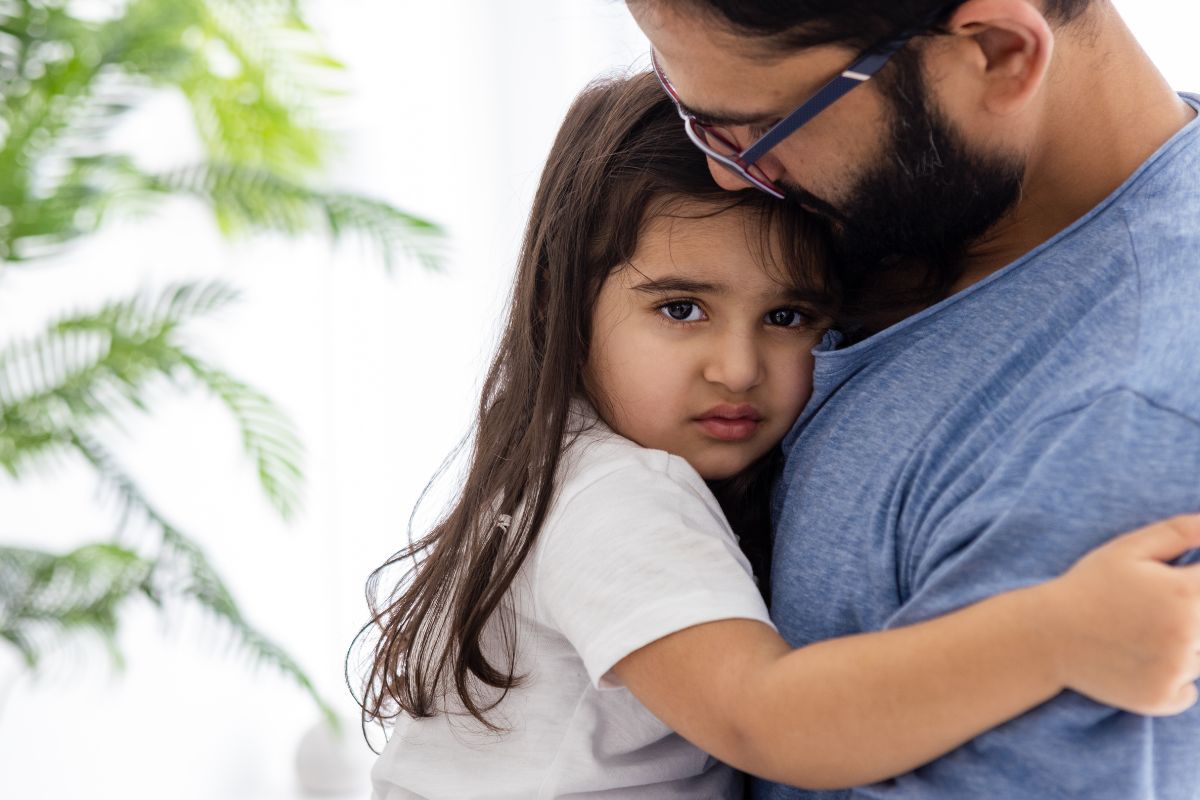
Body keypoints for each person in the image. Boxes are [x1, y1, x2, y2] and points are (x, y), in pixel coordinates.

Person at [355, 72, 1200, 799]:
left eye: (788, 316)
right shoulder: (617, 498)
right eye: (680, 309)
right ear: (563, 307)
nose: (737, 367)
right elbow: (764, 716)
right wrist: (1054, 638)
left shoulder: (579, 468)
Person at [624, 0, 1200, 797]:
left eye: (757, 123)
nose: (726, 172)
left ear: (997, 52)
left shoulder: (1114, 427)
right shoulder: (910, 209)